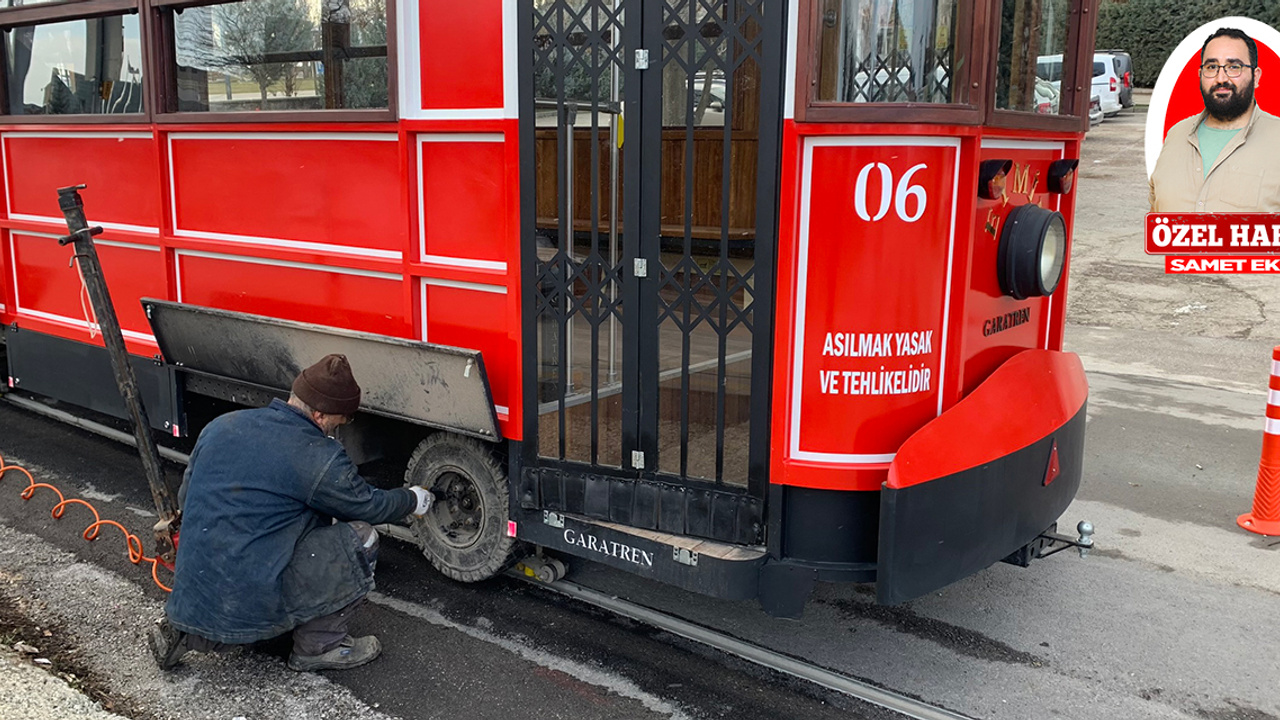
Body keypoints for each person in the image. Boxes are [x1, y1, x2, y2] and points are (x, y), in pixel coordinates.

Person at [148, 354, 435, 672]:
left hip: (195, 602)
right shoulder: (317, 456)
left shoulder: (221, 427)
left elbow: (187, 500)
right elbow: (369, 505)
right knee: (361, 538)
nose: (341, 427)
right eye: (342, 420)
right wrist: (412, 499)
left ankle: (182, 630)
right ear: (319, 414)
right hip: (248, 616)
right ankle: (319, 646)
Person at [1149, 27, 1280, 212]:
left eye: (1234, 67)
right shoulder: (1176, 134)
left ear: (1256, 76)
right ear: (1200, 75)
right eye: (1211, 67)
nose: (1221, 78)